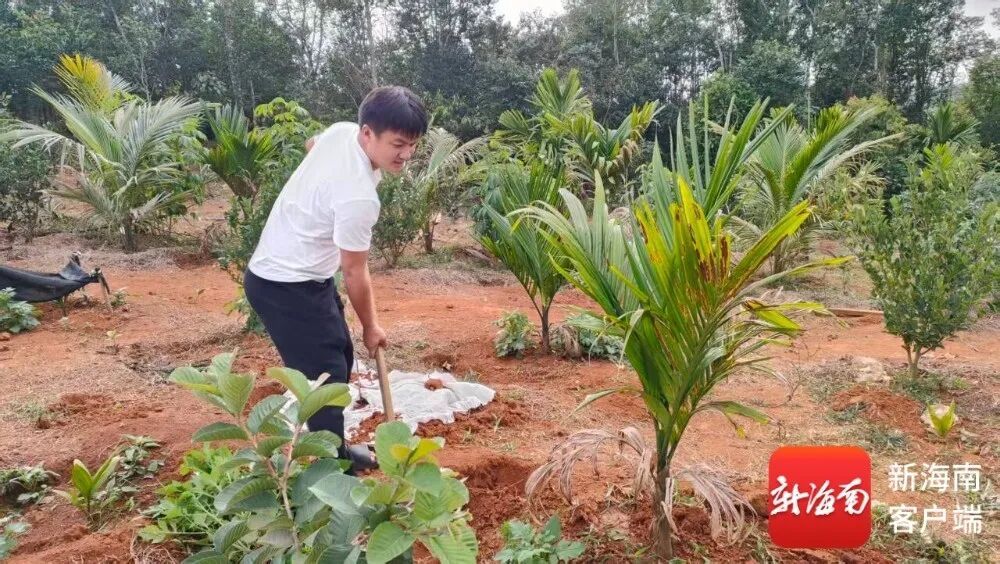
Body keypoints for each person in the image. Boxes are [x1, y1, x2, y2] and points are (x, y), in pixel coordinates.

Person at [243, 86, 428, 472]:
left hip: (303, 274)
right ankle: (332, 471)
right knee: (327, 378)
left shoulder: (341, 132)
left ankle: (336, 451)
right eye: (397, 144)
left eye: (412, 144)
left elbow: (313, 145)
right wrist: (371, 326)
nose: (406, 155)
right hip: (285, 284)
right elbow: (355, 270)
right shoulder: (359, 196)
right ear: (367, 134)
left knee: (339, 358)